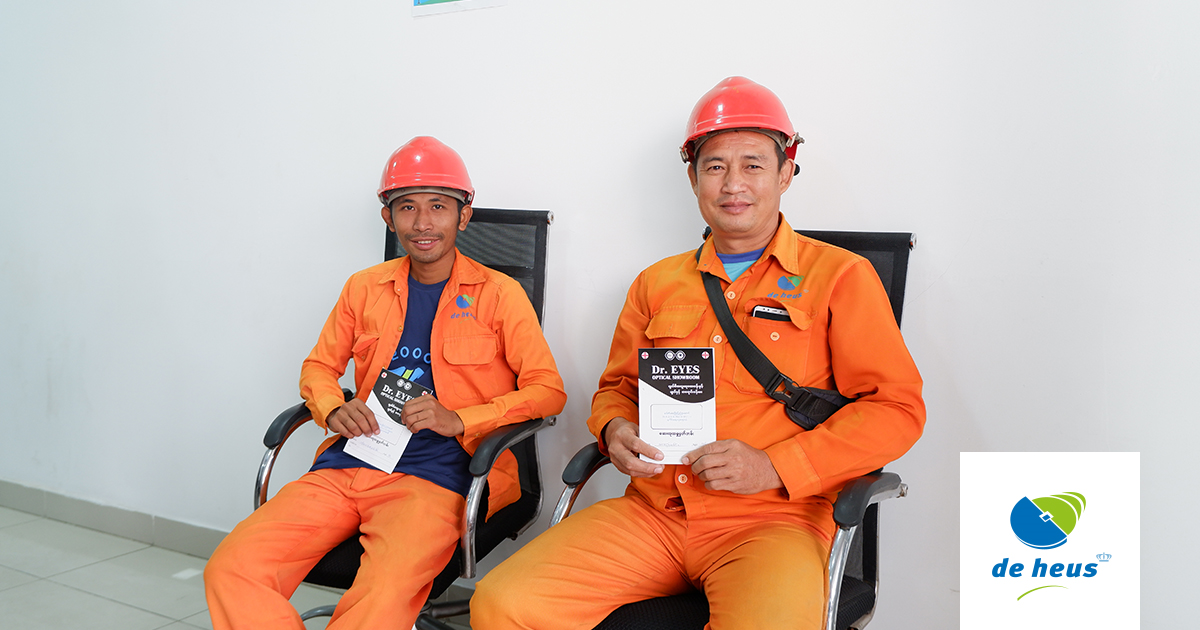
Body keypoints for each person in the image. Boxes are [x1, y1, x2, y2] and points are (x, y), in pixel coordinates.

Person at [471, 77, 925, 629]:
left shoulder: (840, 277)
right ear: (692, 178)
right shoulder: (655, 284)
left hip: (774, 522)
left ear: (786, 173)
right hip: (655, 513)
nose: (734, 183)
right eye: (715, 166)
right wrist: (614, 431)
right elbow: (615, 392)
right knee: (502, 606)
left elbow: (895, 411)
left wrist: (773, 466)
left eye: (754, 164)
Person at [204, 136, 567, 630]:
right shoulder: (363, 287)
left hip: (438, 479)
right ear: (387, 218)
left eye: (439, 206)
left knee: (377, 607)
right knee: (233, 568)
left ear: (463, 216)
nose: (422, 223)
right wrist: (332, 407)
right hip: (349, 462)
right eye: (407, 207)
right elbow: (318, 368)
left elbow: (548, 390)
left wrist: (459, 418)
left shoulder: (499, 295)